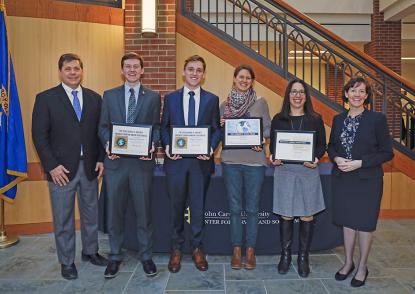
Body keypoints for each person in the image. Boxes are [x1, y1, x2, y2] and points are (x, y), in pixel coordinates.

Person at [32, 53, 107, 280]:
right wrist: (52, 166)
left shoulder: (95, 98)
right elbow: (39, 135)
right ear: (60, 72)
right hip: (61, 171)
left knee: (91, 214)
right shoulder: (46, 98)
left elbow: (100, 132)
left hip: (90, 167)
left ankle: (90, 251)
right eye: (68, 69)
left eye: (76, 68)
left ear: (82, 71)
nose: (73, 73)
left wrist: (101, 158)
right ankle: (66, 262)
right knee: (63, 218)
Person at [98, 52, 161, 278]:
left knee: (144, 212)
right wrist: (107, 144)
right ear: (122, 70)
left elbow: (157, 127)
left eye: (136, 66)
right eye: (128, 66)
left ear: (142, 70)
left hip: (142, 165)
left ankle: (146, 256)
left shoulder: (153, 97)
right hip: (115, 164)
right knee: (115, 212)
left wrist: (153, 145)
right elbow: (103, 126)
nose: (132, 70)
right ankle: (114, 256)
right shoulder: (109, 95)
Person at [328, 77, 393, 287]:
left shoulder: (377, 119)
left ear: (366, 96)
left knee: (365, 224)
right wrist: (336, 158)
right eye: (353, 90)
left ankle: (362, 266)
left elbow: (387, 152)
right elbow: (331, 146)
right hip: (343, 179)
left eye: (361, 92)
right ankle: (348, 263)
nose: (357, 95)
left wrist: (360, 163)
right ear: (346, 94)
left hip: (368, 179)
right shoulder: (338, 119)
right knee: (348, 222)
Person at [161, 55, 221, 273]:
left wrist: (210, 148)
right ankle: (176, 249)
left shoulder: (211, 100)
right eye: (190, 69)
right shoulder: (170, 98)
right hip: (176, 163)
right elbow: (164, 127)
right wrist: (168, 146)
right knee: (176, 208)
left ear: (203, 75)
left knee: (198, 208)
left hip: (200, 164)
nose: (194, 73)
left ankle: (197, 248)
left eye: (199, 70)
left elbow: (216, 130)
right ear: (183, 72)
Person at [269, 78, 326, 278]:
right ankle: (285, 256)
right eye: (293, 91)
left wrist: (316, 159)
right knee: (286, 213)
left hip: (307, 172)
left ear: (306, 96)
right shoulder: (278, 118)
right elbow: (274, 146)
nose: (297, 95)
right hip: (284, 171)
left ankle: (303, 257)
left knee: (306, 215)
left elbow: (321, 145)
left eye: (301, 92)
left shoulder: (315, 119)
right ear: (288, 95)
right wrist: (272, 157)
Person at [219, 65, 271, 270]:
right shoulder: (224, 106)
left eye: (248, 78)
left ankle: (250, 250)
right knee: (234, 209)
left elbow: (267, 128)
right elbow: (219, 134)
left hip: (255, 162)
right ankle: (236, 250)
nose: (244, 80)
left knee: (252, 209)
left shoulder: (261, 103)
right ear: (234, 79)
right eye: (241, 77)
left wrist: (262, 139)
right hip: (231, 162)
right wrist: (220, 124)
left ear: (252, 81)